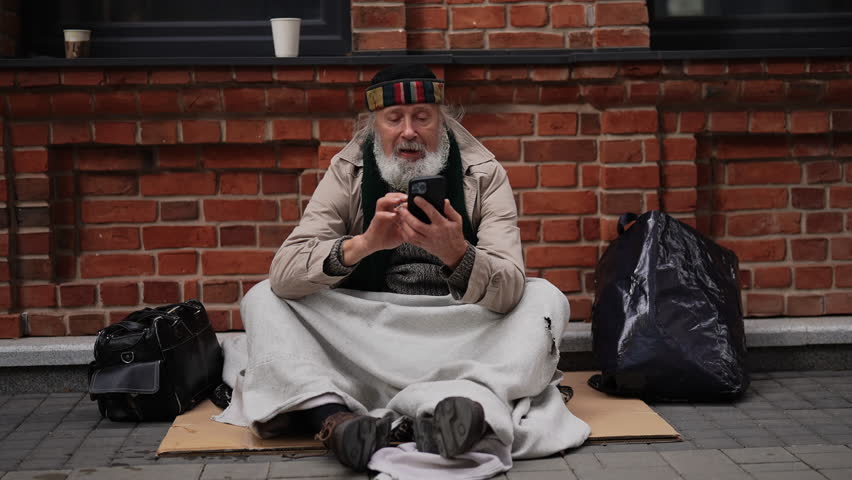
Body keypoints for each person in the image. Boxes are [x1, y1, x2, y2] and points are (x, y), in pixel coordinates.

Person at [217, 64, 589, 476]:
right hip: (365, 328)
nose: (408, 132)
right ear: (375, 125)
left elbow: (509, 290)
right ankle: (338, 420)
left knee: (544, 299)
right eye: (394, 119)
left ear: (442, 119)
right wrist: (364, 244)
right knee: (264, 296)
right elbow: (286, 272)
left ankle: (460, 408)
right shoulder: (348, 171)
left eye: (422, 117)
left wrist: (458, 254)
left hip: (462, 328)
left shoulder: (484, 173)